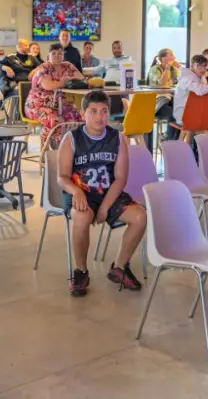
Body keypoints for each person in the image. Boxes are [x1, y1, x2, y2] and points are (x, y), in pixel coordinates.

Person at [59, 90, 146, 296]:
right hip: (82, 192)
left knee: (140, 217)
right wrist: (75, 191)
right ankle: (81, 271)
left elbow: (120, 178)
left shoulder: (118, 138)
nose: (100, 116)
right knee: (81, 217)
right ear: (83, 114)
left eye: (104, 111)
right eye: (94, 111)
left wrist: (105, 207)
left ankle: (120, 267)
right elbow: (61, 177)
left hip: (109, 192)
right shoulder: (71, 139)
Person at [26, 43, 84, 147]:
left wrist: (64, 80)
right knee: (54, 119)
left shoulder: (67, 65)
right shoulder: (44, 67)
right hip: (38, 105)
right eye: (54, 53)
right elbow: (49, 86)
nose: (57, 56)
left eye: (60, 53)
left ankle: (71, 146)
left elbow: (81, 79)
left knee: (79, 117)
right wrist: (66, 80)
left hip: (61, 104)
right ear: (48, 55)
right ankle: (46, 147)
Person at [172, 54, 208, 144]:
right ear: (192, 66)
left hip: (199, 114)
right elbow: (199, 91)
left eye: (204, 66)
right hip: (185, 117)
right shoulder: (187, 77)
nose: (202, 69)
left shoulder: (201, 78)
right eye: (199, 66)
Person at [147, 48, 180, 126]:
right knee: (174, 114)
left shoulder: (174, 69)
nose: (174, 57)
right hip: (157, 101)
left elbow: (182, 82)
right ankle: (169, 133)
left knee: (182, 112)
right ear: (163, 58)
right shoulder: (154, 69)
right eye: (171, 55)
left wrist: (180, 68)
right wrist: (167, 67)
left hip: (170, 98)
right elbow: (162, 83)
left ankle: (173, 133)